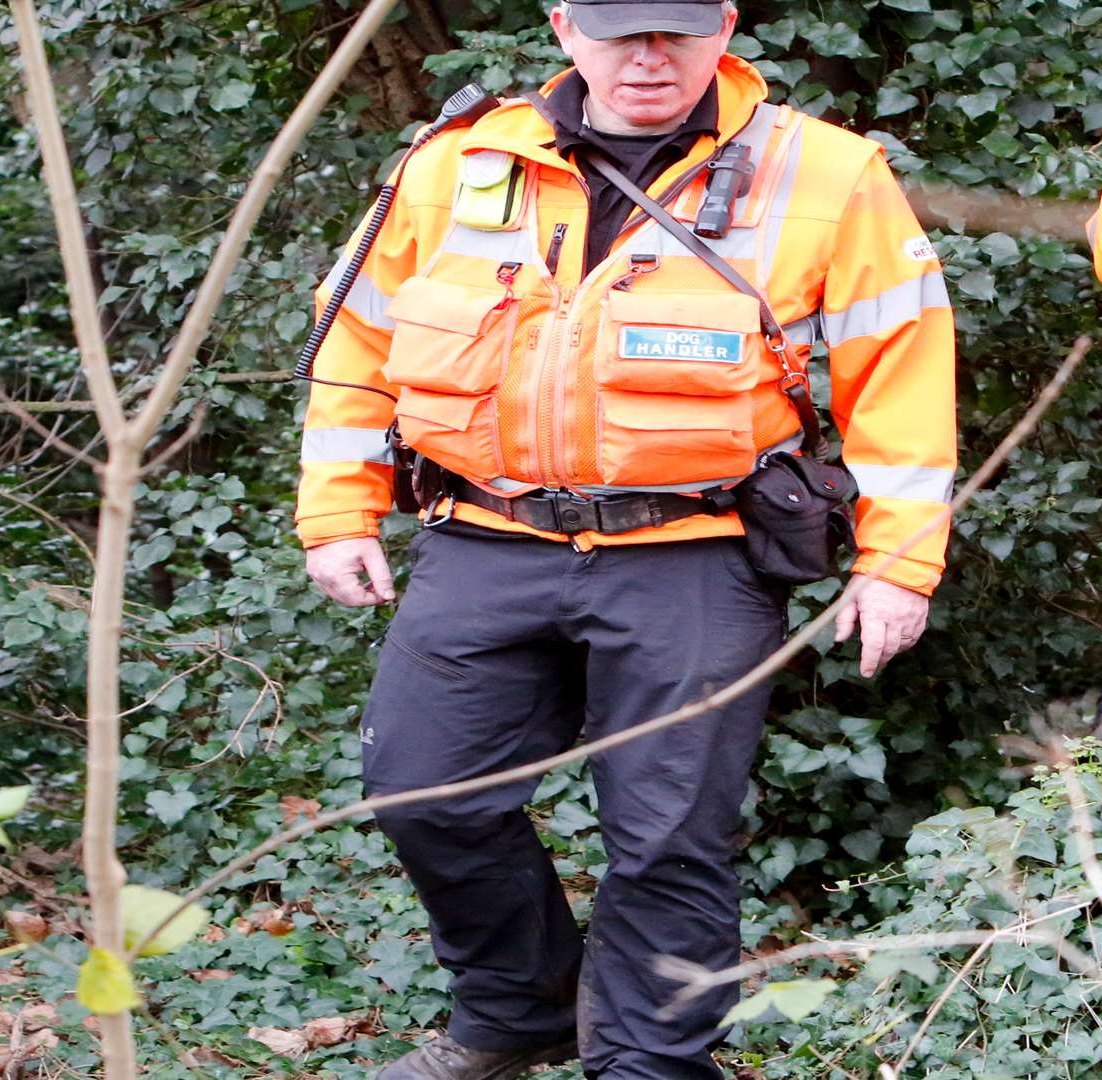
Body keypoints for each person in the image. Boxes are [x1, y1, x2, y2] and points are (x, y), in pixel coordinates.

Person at [294, 1, 956, 1077]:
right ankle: (520, 1009)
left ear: (726, 25)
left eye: (677, 29)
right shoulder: (459, 158)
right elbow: (358, 334)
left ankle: (652, 1065)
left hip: (697, 548)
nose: (649, 57)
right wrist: (337, 503)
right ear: (564, 27)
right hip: (483, 530)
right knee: (422, 788)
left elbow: (902, 372)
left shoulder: (824, 172)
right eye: (619, 29)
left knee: (671, 840)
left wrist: (897, 561)